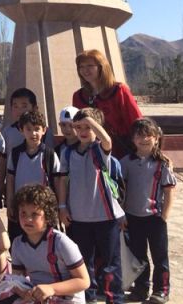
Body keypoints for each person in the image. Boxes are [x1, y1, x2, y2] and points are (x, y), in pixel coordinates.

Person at [56, 108, 125, 304]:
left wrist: (92, 121)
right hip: (78, 217)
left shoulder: (99, 149)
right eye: (78, 127)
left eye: (88, 127)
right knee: (84, 262)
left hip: (105, 216)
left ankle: (115, 299)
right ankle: (88, 297)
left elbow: (107, 141)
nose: (83, 131)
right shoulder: (68, 153)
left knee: (111, 263)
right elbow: (62, 181)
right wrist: (62, 207)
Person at [121, 118, 176, 304]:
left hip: (154, 217)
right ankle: (141, 289)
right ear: (133, 139)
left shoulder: (162, 164)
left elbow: (169, 191)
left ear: (156, 138)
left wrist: (164, 216)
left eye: (148, 135)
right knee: (138, 256)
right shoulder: (125, 162)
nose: (144, 139)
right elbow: (120, 190)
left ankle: (162, 290)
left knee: (160, 256)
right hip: (132, 217)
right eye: (139, 135)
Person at [10, 184, 90, 304]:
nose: (28, 219)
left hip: (68, 299)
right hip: (37, 298)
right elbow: (16, 280)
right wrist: (24, 292)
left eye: (34, 214)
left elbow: (84, 281)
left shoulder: (61, 242)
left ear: (47, 215)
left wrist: (51, 288)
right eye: (23, 213)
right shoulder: (17, 244)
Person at [72, 49, 143, 158]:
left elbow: (137, 122)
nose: (85, 70)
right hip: (92, 155)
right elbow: (77, 126)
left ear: (101, 67)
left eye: (90, 66)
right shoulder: (79, 96)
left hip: (121, 152)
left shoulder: (119, 91)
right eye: (81, 67)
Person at [6, 111, 60, 241]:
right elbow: (10, 179)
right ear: (21, 130)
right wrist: (9, 203)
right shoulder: (15, 153)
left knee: (45, 243)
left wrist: (59, 206)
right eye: (28, 129)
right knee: (19, 242)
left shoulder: (49, 154)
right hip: (21, 208)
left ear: (44, 130)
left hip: (42, 208)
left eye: (37, 129)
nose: (33, 133)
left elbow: (58, 181)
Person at [2, 88, 55, 155]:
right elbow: (3, 158)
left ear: (35, 108)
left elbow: (50, 156)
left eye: (24, 106)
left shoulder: (44, 132)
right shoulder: (7, 132)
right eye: (16, 106)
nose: (19, 110)